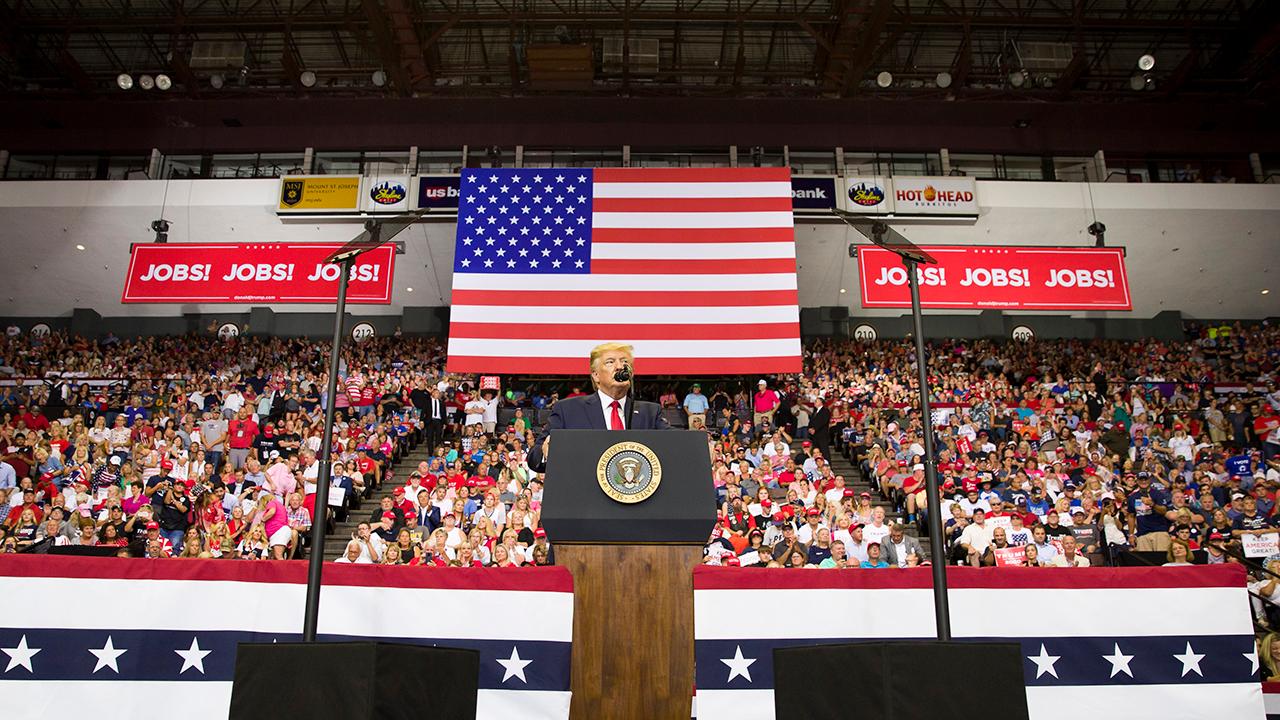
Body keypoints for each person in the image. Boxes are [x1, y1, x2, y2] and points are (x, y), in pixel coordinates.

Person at [526, 343, 670, 472]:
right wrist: (547, 453)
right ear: (595, 375)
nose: (620, 366)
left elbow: (678, 446)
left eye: (625, 362)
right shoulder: (568, 410)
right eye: (610, 362)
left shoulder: (650, 412)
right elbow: (534, 457)